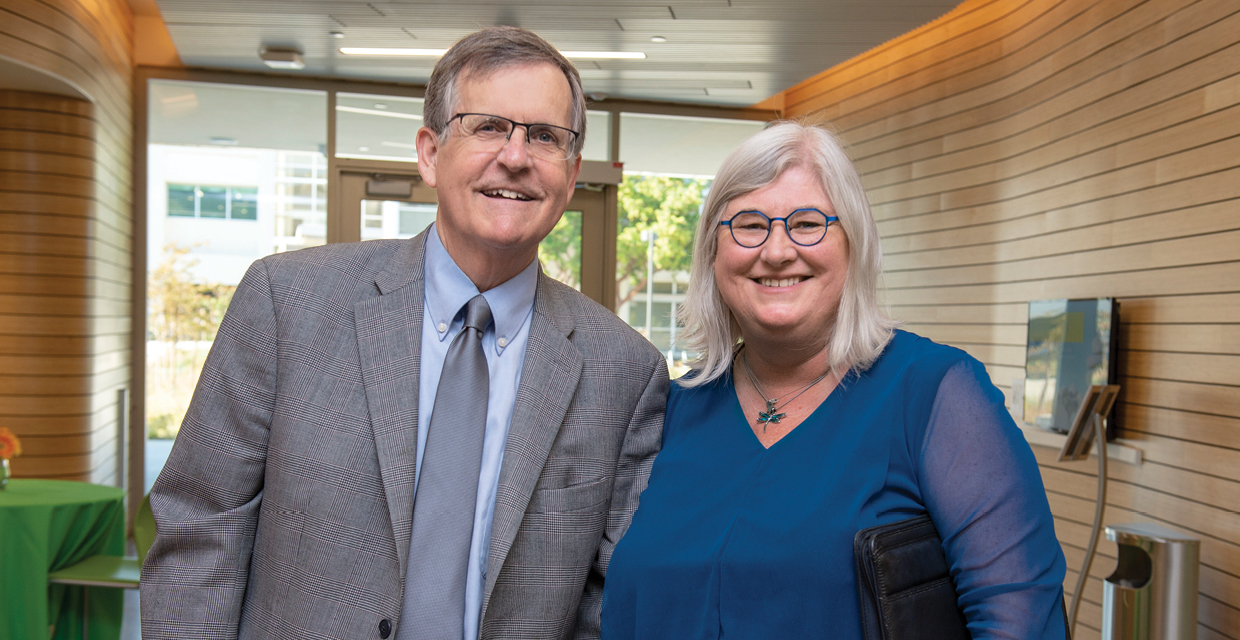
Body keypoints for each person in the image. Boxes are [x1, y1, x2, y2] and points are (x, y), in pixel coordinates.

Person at [141, 27, 668, 640]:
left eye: (545, 136)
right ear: (428, 152)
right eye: (488, 126)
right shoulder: (287, 303)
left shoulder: (626, 371)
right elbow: (200, 532)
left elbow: (604, 602)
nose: (517, 157)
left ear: (571, 174)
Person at [601, 121, 1067, 639]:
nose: (776, 251)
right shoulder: (675, 407)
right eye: (749, 225)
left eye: (807, 224)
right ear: (713, 254)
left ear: (854, 244)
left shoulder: (936, 394)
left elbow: (1017, 617)